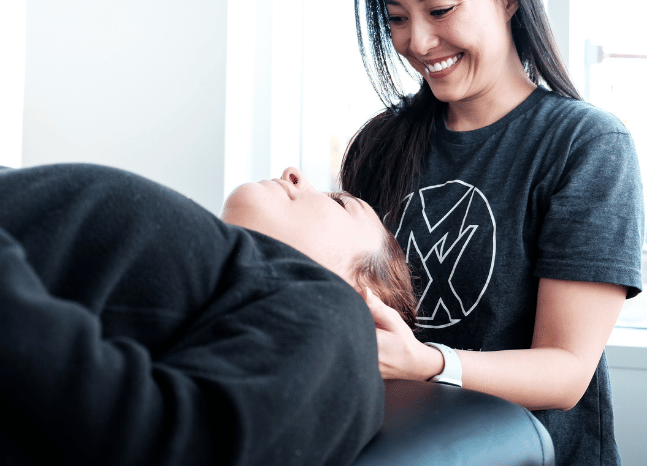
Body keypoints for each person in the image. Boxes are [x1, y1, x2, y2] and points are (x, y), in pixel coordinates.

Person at [340, 0, 644, 466]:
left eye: (440, 10)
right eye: (398, 17)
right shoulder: (382, 143)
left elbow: (565, 371)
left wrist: (429, 363)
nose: (418, 43)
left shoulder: (586, 146)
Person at [0, 162, 413, 466]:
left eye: (339, 202)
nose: (294, 173)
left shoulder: (340, 320)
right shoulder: (222, 274)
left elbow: (168, 445)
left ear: (369, 301)